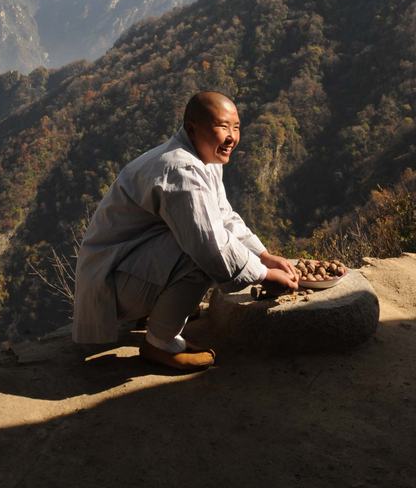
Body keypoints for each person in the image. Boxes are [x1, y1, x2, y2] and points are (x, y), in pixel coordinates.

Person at [72, 90, 299, 371]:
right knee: (199, 253)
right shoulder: (181, 169)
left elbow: (223, 215)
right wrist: (264, 275)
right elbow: (209, 245)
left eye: (236, 127)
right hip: (111, 283)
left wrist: (264, 255)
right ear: (193, 127)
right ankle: (161, 343)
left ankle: (162, 314)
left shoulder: (204, 159)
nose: (232, 137)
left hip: (124, 266)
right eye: (222, 126)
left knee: (200, 237)